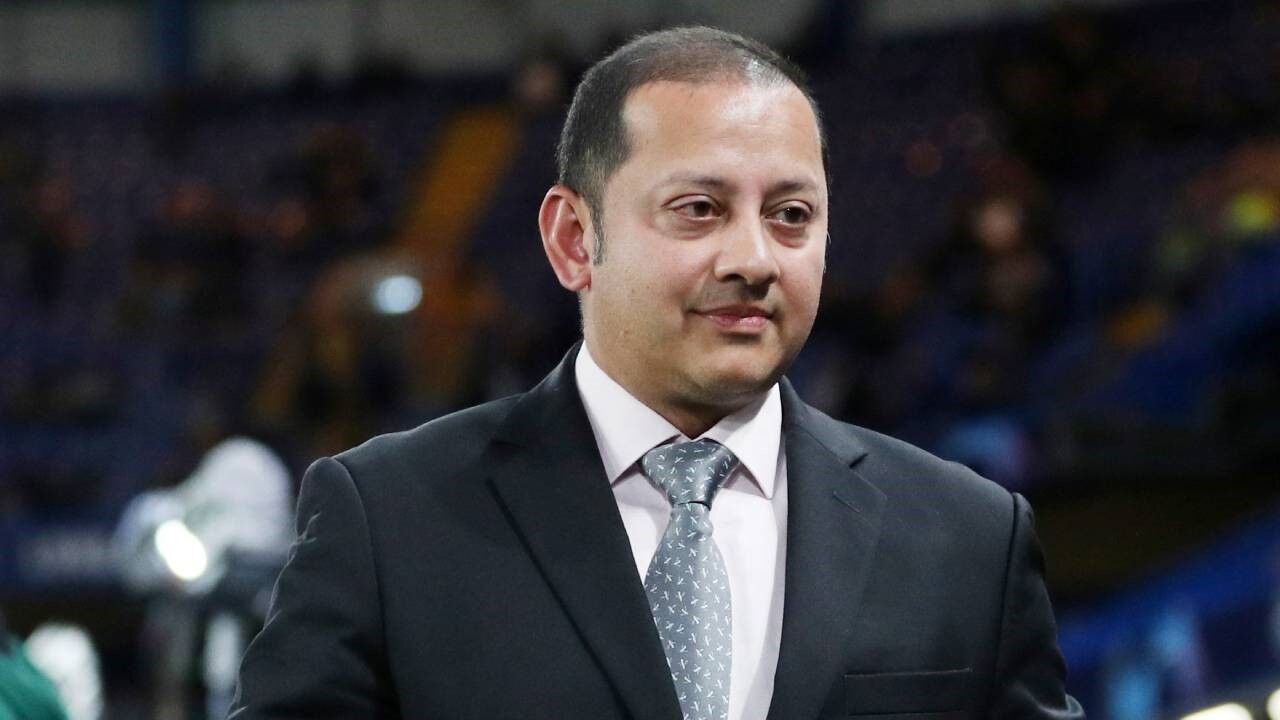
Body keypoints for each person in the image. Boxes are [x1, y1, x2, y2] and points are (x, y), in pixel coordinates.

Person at [230, 27, 1084, 719]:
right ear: (574, 240)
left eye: (791, 215)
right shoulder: (386, 521)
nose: (754, 258)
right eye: (699, 209)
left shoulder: (971, 539)